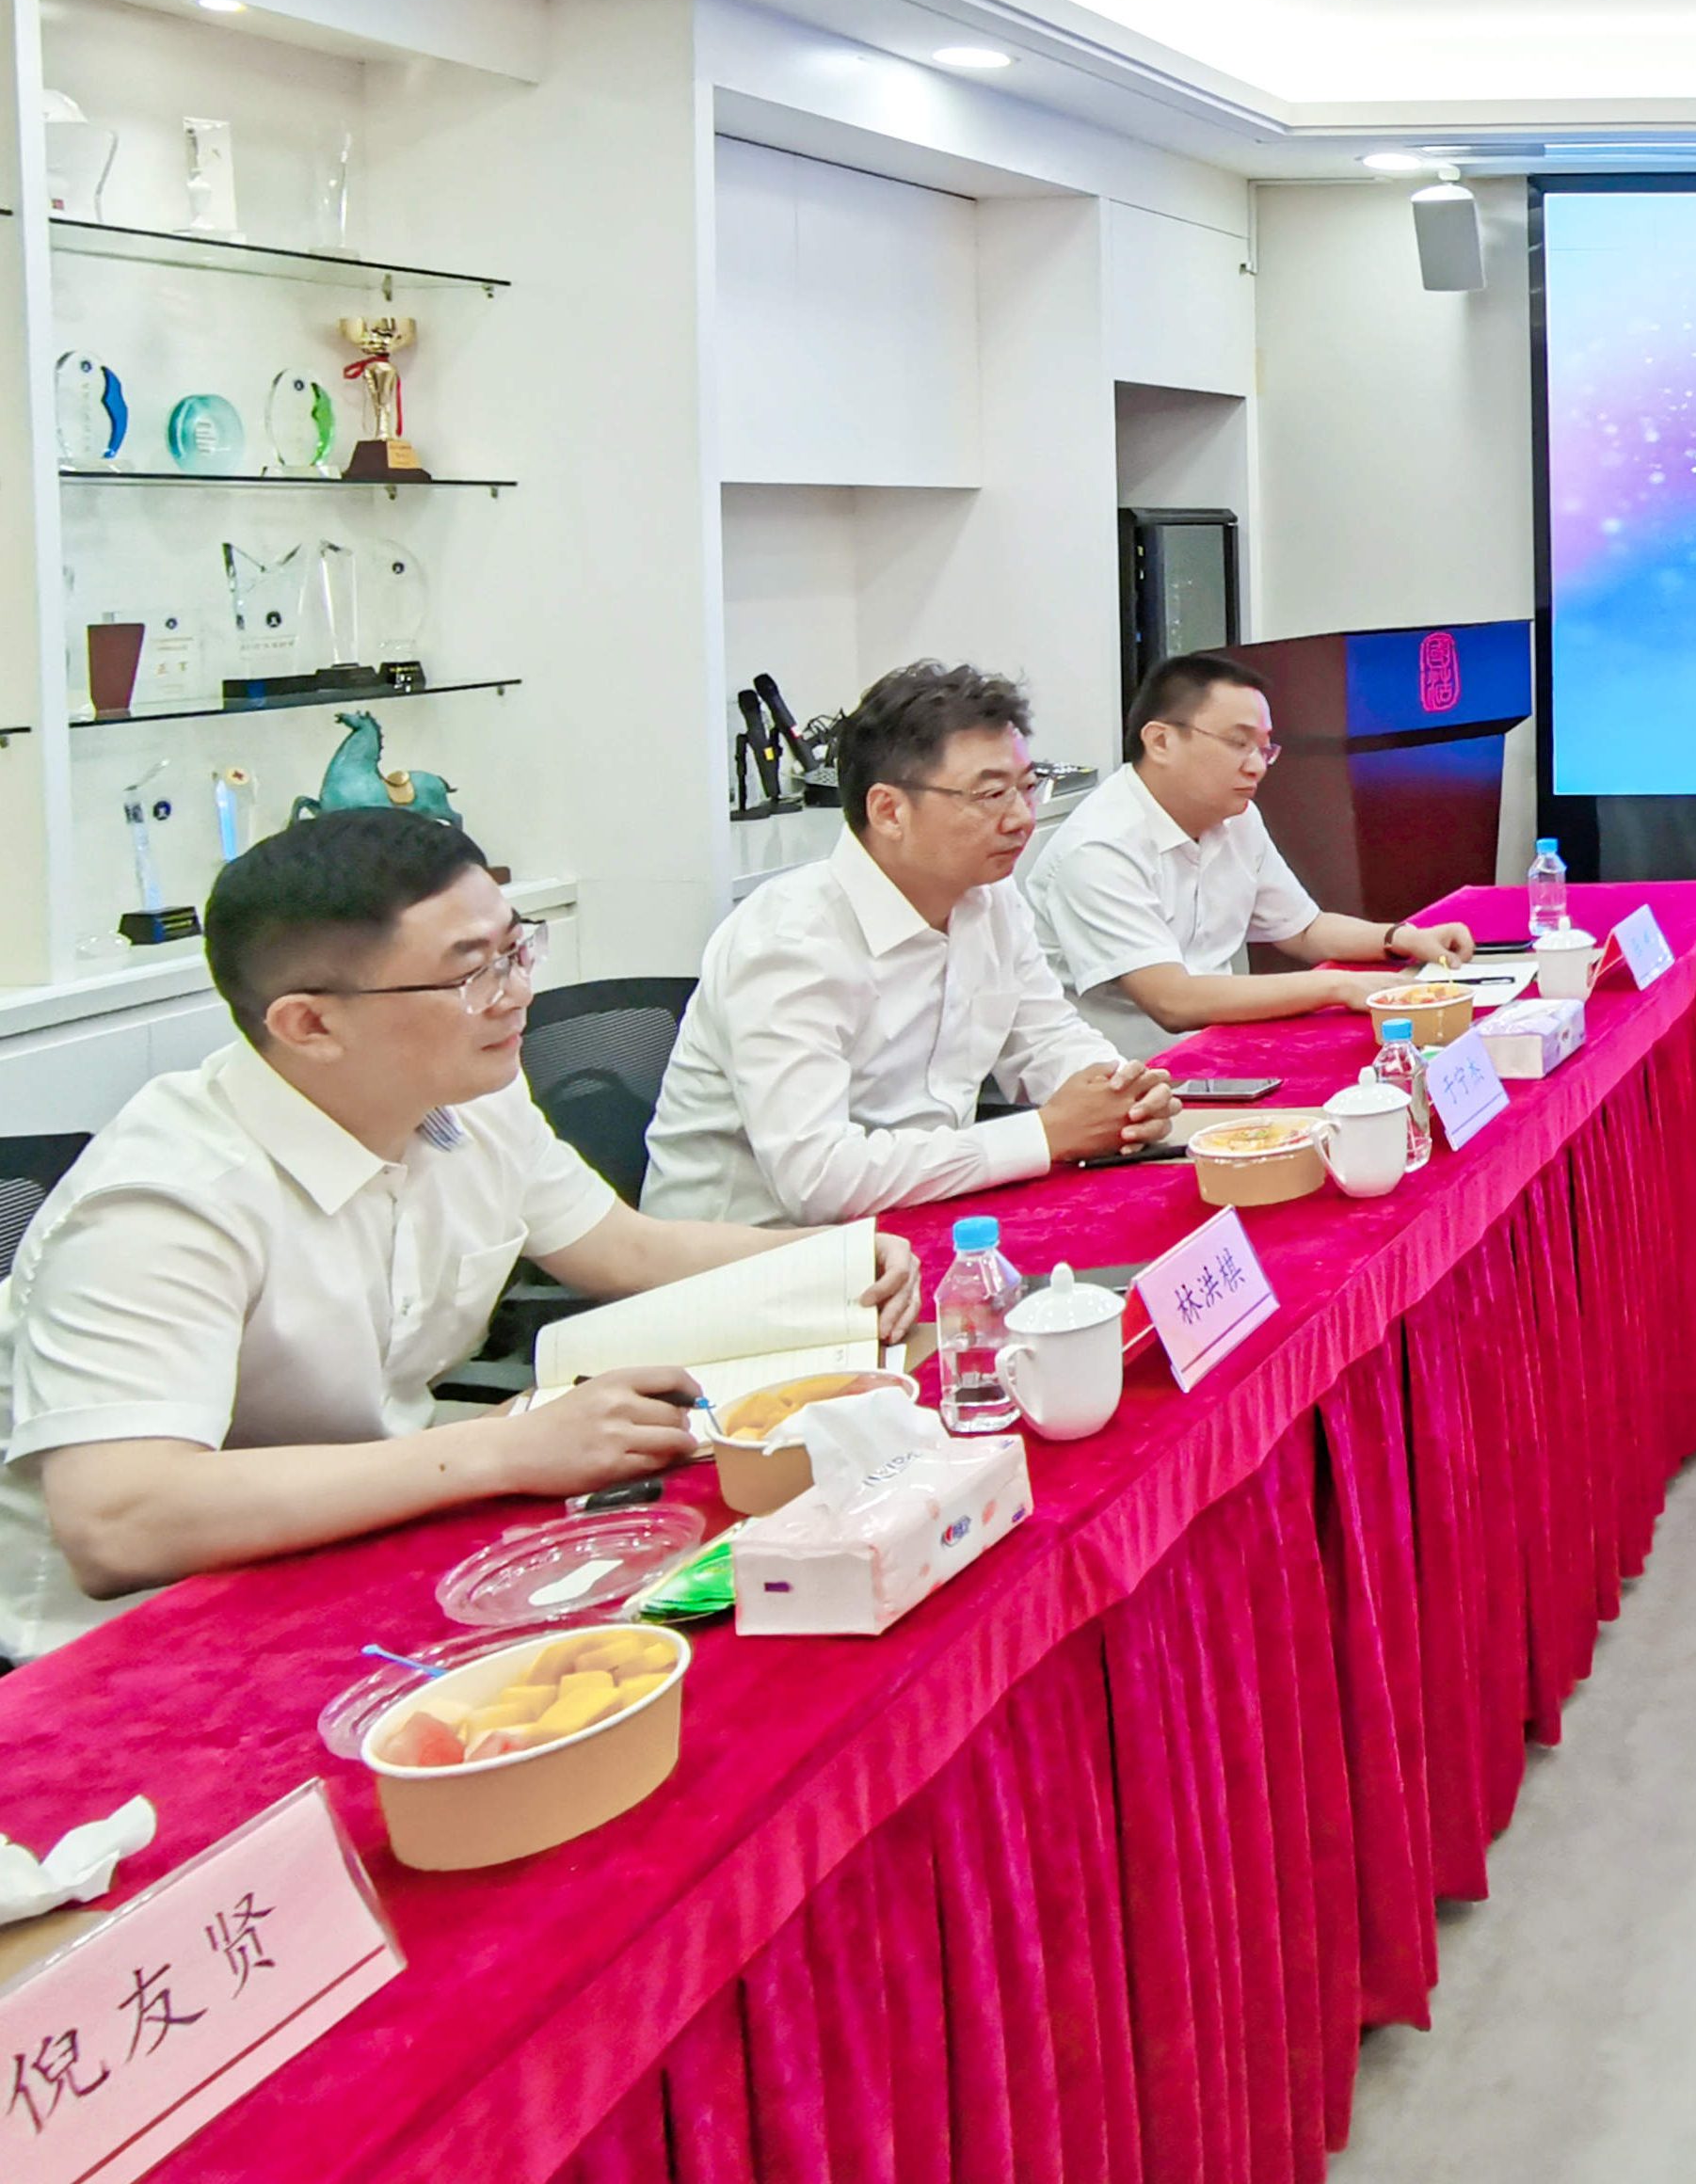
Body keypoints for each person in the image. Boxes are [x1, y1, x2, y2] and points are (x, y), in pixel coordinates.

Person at [0, 813, 918, 1665]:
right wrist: (502, 1449)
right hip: (134, 1648)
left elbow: (620, 1247)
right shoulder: (163, 1201)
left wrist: (831, 1260)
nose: (520, 993)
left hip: (360, 1542)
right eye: (471, 971)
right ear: (309, 1024)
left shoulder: (470, 1095)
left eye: (517, 948)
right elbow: (120, 1521)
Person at [647, 662, 1173, 1226]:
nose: (1021, 818)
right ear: (888, 811)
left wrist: (1120, 1092)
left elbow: (1046, 1037)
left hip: (924, 1212)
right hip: (762, 1251)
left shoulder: (988, 898)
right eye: (991, 794)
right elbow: (817, 1180)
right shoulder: (789, 942)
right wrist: (1044, 1134)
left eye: (1027, 787)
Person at [1023, 653, 1478, 1060]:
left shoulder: (1236, 818)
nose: (1257, 766)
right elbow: (1173, 1002)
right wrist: (1336, 985)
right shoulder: (1099, 848)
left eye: (1264, 748)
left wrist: (1401, 938)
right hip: (1133, 1080)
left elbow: (1304, 930)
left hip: (1224, 1050)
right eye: (1238, 743)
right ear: (1160, 742)